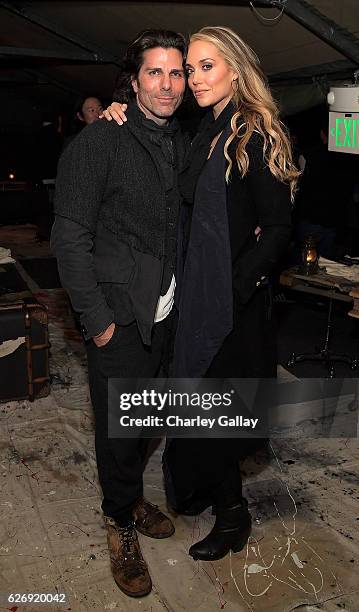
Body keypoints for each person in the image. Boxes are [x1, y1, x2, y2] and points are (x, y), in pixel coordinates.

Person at [104, 26, 299, 562]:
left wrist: (233, 289)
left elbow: (278, 229)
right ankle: (219, 499)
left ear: (235, 70)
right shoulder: (204, 132)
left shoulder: (253, 133)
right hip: (196, 298)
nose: (192, 79)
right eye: (190, 69)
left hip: (230, 305)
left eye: (205, 66)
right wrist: (117, 113)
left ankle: (234, 516)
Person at [51, 30, 187, 598]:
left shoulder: (181, 138)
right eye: (154, 73)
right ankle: (118, 522)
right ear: (133, 81)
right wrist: (97, 321)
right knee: (119, 429)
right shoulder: (98, 142)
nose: (167, 85)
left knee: (148, 417)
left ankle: (129, 495)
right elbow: (68, 238)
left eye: (176, 73)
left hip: (165, 311)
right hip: (119, 316)